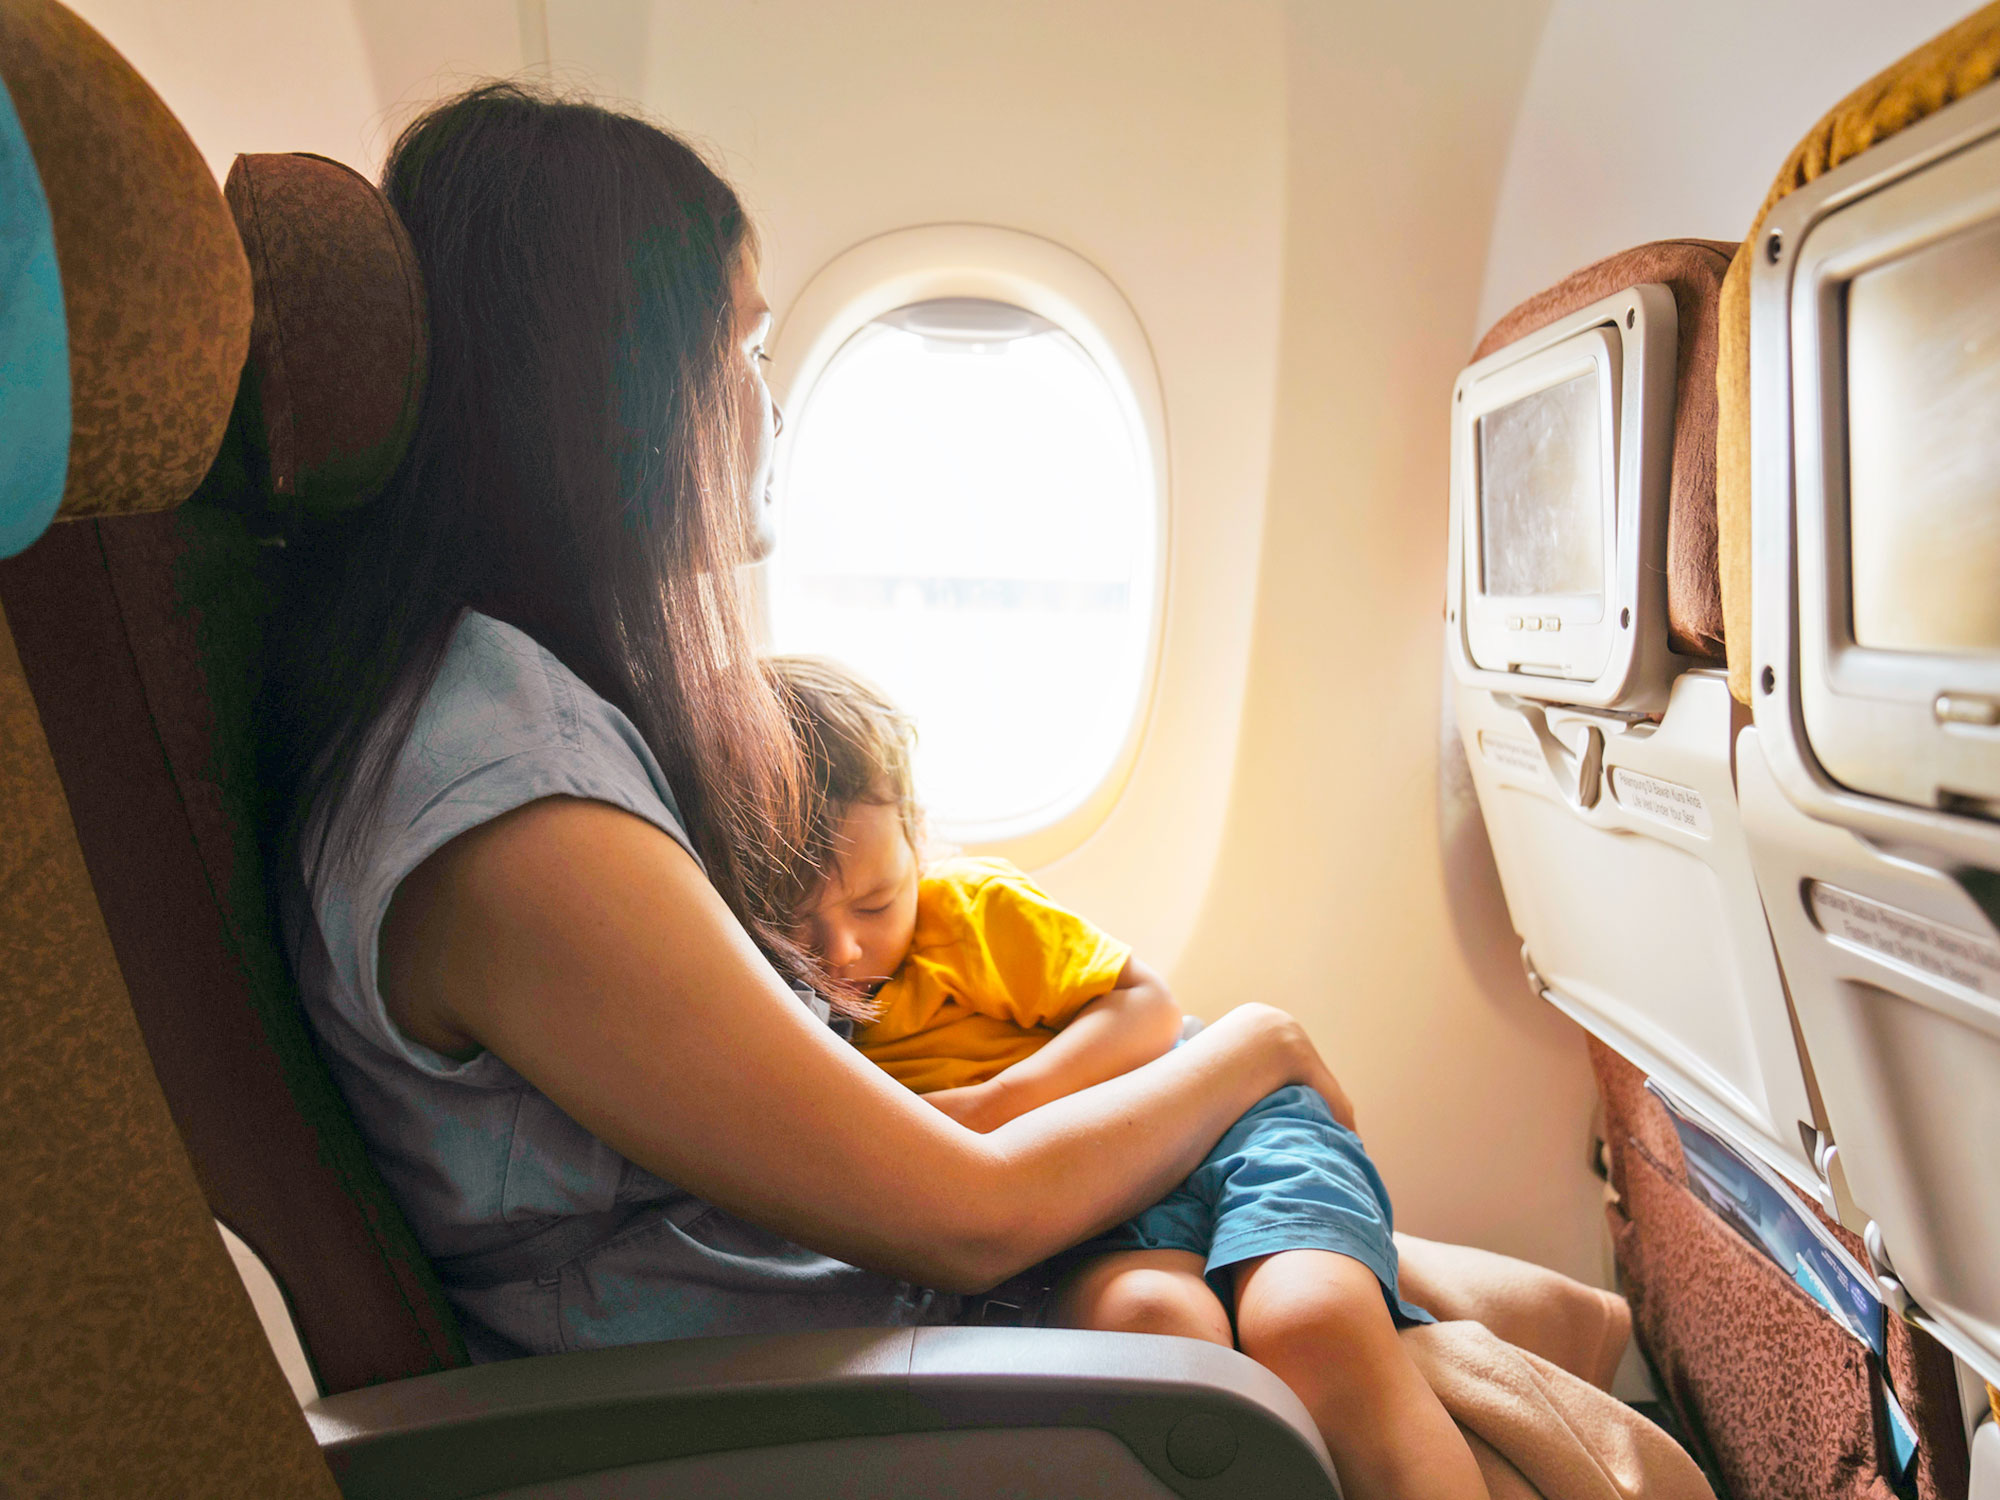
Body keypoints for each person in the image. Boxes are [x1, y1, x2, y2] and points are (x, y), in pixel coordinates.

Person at [262, 79, 1352, 1375]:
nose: (762, 405)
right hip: (802, 1407)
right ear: (618, 389)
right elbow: (973, 1217)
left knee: (1469, 1342)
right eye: (739, 350)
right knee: (1379, 1370)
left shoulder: (517, 705)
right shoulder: (508, 801)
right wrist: (1252, 1044)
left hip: (871, 1338)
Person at [767, 655, 1490, 1500]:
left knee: (1313, 1322)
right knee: (1162, 1337)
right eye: (795, 919)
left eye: (874, 903)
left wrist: (1000, 1105)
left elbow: (1146, 1008)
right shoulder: (776, 1014)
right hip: (1088, 1211)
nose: (842, 952)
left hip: (1221, 1118)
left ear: (917, 838)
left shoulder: (967, 914)